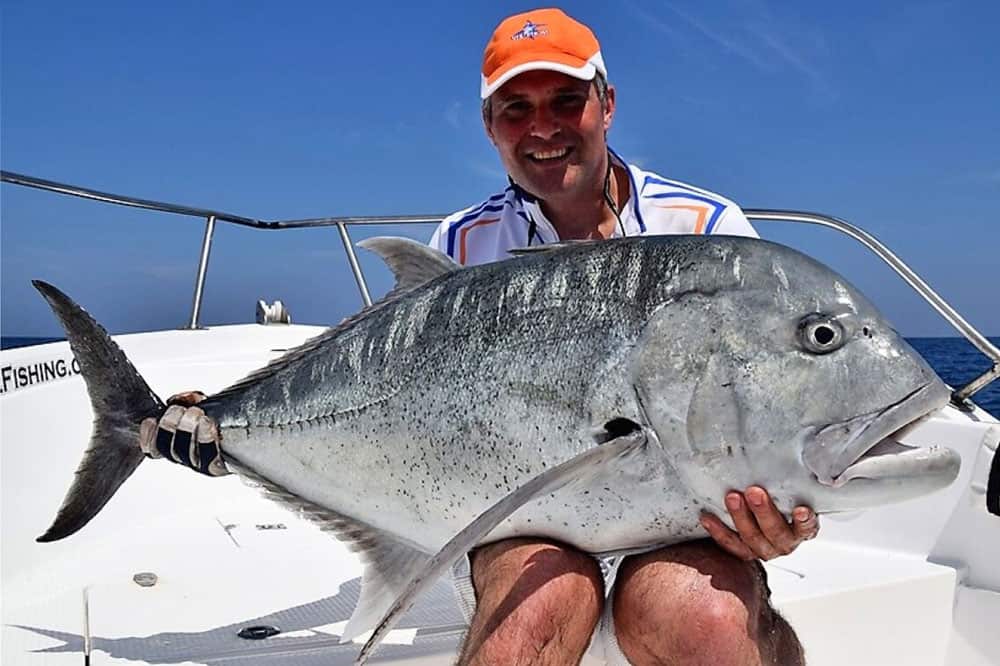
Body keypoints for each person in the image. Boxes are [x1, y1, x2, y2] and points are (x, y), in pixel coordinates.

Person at [146, 8, 818, 665]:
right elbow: (390, 402)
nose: (543, 128)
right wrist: (227, 426)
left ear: (607, 104)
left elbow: (768, 400)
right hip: (526, 516)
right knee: (536, 607)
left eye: (565, 100)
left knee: (698, 617)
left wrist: (787, 506)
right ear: (489, 126)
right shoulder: (464, 245)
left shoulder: (707, 233)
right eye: (516, 109)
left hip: (684, 515)